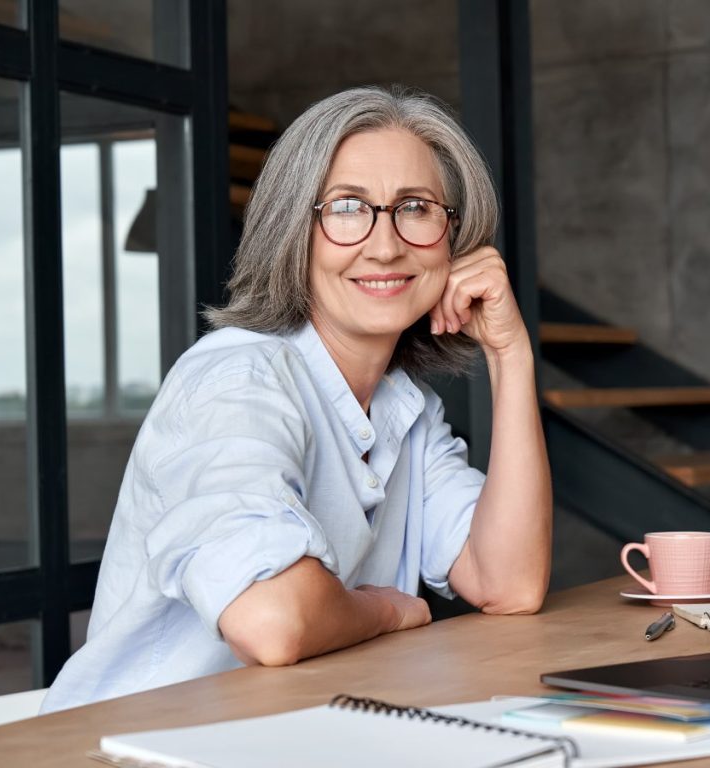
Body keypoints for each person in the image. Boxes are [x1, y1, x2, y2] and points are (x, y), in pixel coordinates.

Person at [41, 85, 552, 712]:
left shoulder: (404, 408)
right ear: (295, 232)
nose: (385, 244)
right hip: (138, 749)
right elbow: (273, 620)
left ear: (452, 237)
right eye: (346, 207)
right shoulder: (239, 381)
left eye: (414, 207)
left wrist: (511, 355)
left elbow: (510, 583)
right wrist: (383, 612)